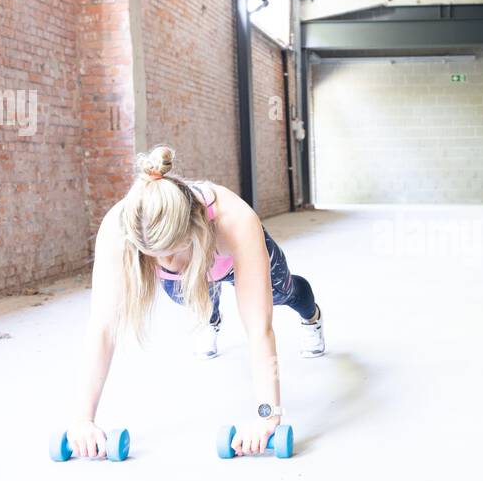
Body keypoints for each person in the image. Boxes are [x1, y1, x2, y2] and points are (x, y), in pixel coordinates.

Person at [67, 145, 324, 457]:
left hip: (223, 257)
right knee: (186, 295)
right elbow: (102, 328)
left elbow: (259, 328)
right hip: (197, 269)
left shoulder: (236, 220)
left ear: (194, 228)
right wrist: (83, 420)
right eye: (154, 257)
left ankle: (312, 316)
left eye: (173, 251)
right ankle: (210, 317)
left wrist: (268, 416)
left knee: (284, 291)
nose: (167, 263)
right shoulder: (116, 229)